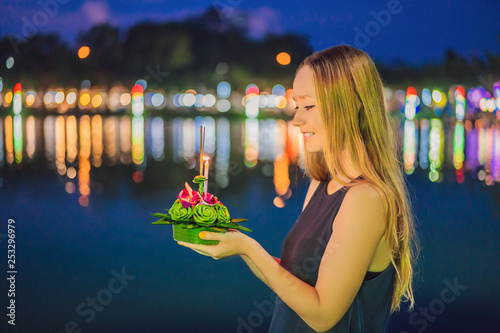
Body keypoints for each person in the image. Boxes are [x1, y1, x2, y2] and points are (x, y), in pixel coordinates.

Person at [177, 44, 419, 332]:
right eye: (296, 106)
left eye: (308, 106)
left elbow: (323, 314)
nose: (296, 120)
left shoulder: (365, 199)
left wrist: (250, 249)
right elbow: (297, 281)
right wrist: (238, 244)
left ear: (349, 104)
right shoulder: (322, 182)